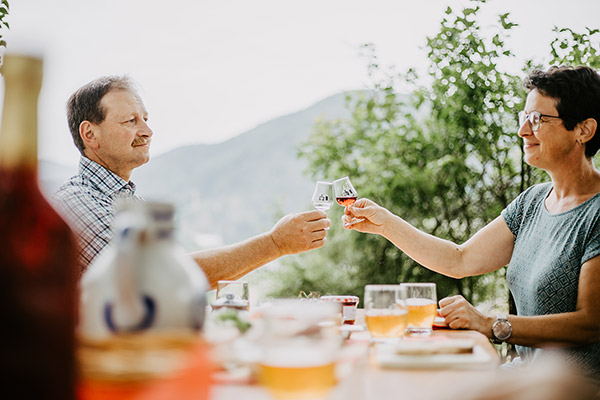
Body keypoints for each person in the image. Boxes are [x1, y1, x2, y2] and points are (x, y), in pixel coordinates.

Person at [343, 65, 600, 380]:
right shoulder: (532, 202)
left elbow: (590, 323)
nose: (523, 131)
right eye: (524, 117)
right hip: (524, 378)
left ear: (584, 130)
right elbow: (459, 259)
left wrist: (489, 323)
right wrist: (385, 224)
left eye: (537, 120)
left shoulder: (596, 213)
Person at [53, 75, 330, 287]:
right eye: (130, 121)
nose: (147, 131)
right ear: (90, 134)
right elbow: (160, 282)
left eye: (146, 119)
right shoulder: (77, 204)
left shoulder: (127, 201)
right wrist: (275, 244)